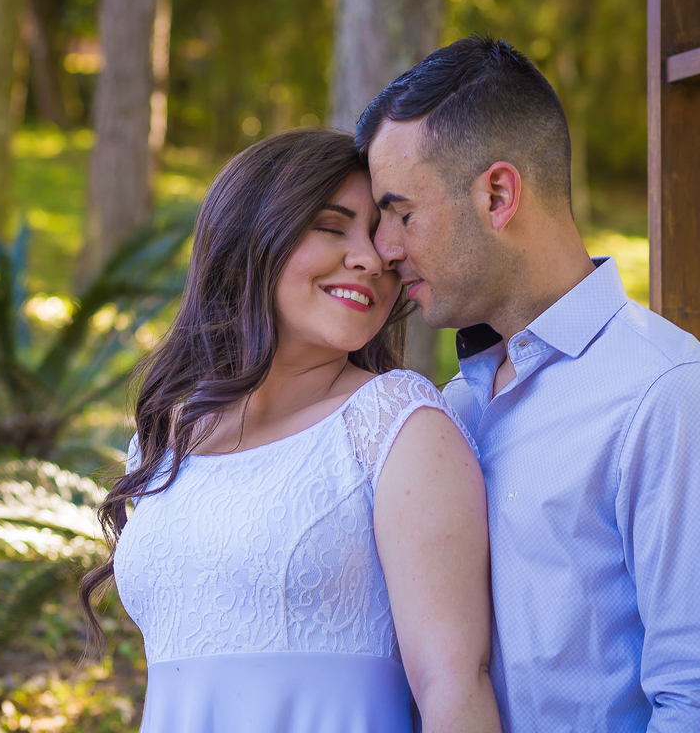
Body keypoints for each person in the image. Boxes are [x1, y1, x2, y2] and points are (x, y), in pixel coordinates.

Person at [356, 36, 700, 732]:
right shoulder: (451, 409)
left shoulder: (672, 397)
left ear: (497, 195)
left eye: (402, 214)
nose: (385, 250)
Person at [79, 128, 502, 733]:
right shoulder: (166, 433)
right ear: (251, 237)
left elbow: (454, 687)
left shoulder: (397, 424)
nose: (372, 259)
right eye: (332, 227)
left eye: (383, 239)